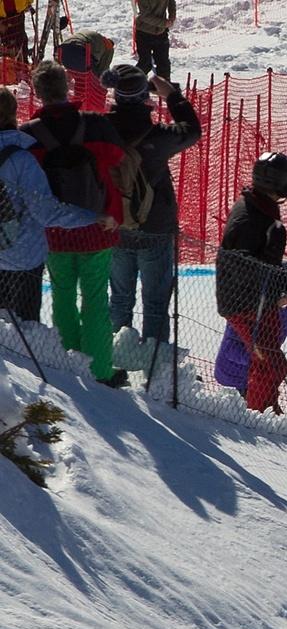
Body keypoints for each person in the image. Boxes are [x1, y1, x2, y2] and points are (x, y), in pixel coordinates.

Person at [20, 60, 127, 387]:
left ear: (37, 93)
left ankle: (68, 360)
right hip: (98, 226)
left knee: (62, 294)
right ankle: (101, 370)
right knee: (95, 299)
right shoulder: (95, 125)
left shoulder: (28, 136)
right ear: (68, 86)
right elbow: (118, 158)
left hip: (54, 231)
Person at [103, 64, 200, 346]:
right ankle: (154, 368)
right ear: (145, 97)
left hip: (117, 224)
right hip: (156, 227)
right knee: (156, 304)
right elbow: (192, 130)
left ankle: (113, 360)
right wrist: (171, 95)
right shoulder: (157, 136)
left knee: (119, 299)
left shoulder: (101, 129)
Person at [0, 86, 116, 323]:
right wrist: (92, 216)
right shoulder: (22, 159)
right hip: (22, 258)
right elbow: (46, 211)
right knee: (25, 336)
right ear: (13, 114)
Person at [214, 151, 287, 412]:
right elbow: (243, 264)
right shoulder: (253, 215)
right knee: (270, 363)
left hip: (252, 300)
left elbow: (261, 260)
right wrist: (279, 285)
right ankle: (258, 412)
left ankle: (267, 407)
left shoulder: (257, 207)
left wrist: (280, 283)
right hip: (248, 303)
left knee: (270, 363)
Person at [214, 260, 287, 412]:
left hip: (261, 377)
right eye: (286, 298)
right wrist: (260, 359)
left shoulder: (282, 310)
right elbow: (230, 350)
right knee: (261, 414)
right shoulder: (251, 312)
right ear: (276, 291)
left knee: (270, 410)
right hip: (235, 376)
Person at [133, 0, 175, 80]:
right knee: (145, 64)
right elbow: (143, 15)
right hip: (144, 33)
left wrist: (172, 18)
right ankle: (129, 86)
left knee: (163, 65)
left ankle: (165, 89)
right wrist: (164, 23)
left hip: (161, 33)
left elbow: (171, 2)